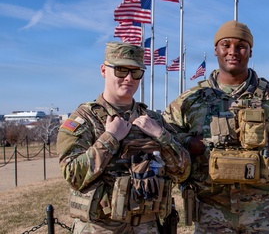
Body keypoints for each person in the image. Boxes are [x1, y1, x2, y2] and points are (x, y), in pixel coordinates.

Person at [162, 20, 269, 234]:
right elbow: (166, 133)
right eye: (226, 44)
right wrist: (188, 142)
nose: (233, 51)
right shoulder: (191, 100)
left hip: (261, 208)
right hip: (210, 208)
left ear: (250, 52)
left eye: (241, 46)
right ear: (216, 49)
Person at [57, 42, 191, 234]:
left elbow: (182, 172)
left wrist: (161, 135)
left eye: (136, 72)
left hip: (148, 227)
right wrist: (110, 138)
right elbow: (72, 175)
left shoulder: (153, 120)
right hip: (100, 228)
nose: (129, 78)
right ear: (104, 70)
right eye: (121, 70)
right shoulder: (84, 119)